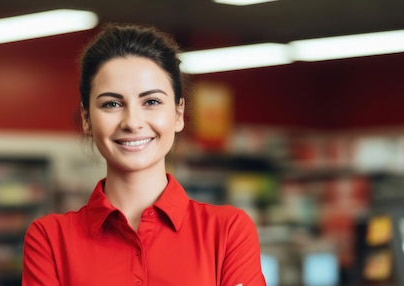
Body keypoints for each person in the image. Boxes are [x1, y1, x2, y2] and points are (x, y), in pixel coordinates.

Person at [22, 23, 266, 286]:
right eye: (112, 104)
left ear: (179, 114)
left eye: (151, 102)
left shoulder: (228, 231)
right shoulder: (49, 238)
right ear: (87, 119)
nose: (132, 122)